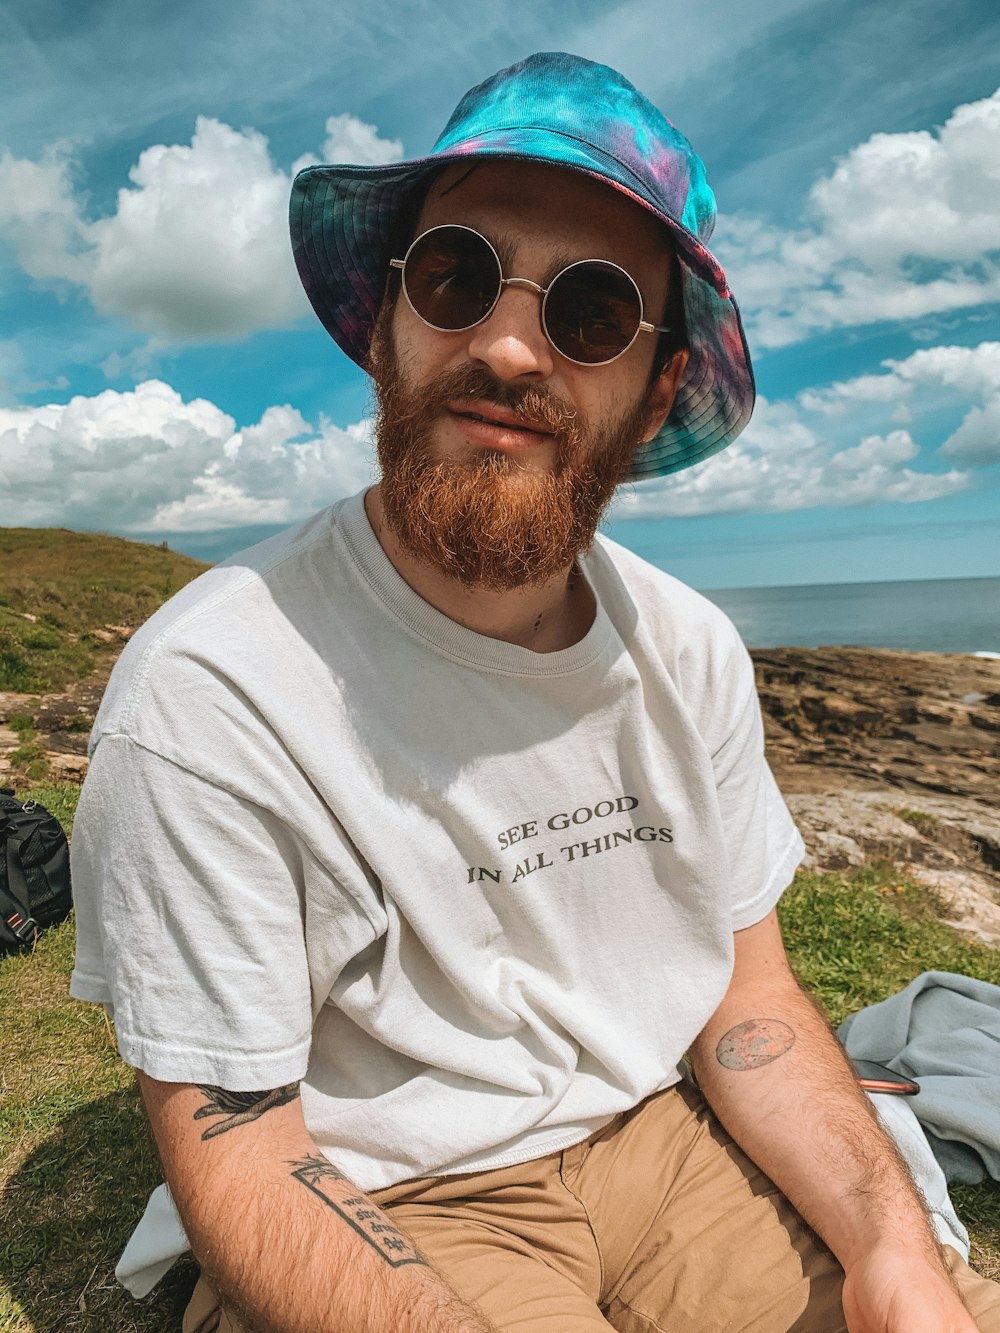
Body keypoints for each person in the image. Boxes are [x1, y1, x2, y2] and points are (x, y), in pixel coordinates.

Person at [69, 52, 1000, 1333]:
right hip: (393, 1189)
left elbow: (750, 997)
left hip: (665, 1135)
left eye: (593, 311)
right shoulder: (210, 689)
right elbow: (236, 1145)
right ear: (389, 320)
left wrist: (890, 1246)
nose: (507, 345)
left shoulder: (686, 645)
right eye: (456, 275)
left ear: (658, 382)